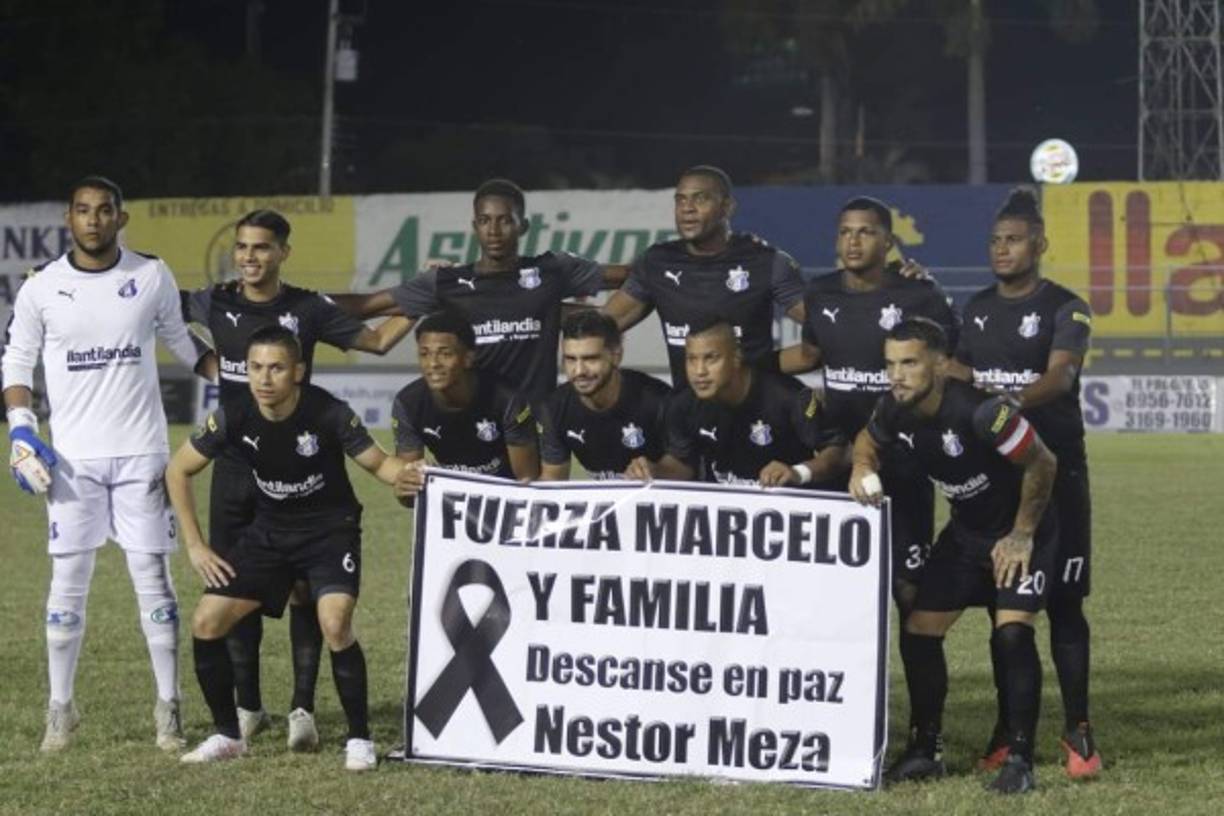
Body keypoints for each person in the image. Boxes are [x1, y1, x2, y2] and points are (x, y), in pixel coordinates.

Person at [180, 209, 412, 749]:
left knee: (310, 591)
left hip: (297, 465)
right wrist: (206, 366)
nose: (249, 257)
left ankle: (302, 707)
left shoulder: (307, 308)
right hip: (235, 463)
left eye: (262, 248)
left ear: (283, 251)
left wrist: (421, 303)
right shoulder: (213, 300)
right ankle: (246, 708)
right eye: (242, 247)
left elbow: (376, 341)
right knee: (233, 590)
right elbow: (156, 310)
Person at [2, 175, 212, 752]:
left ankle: (168, 708)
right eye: (82, 211)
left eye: (104, 211)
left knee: (155, 582)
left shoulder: (150, 274)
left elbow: (184, 342)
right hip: (71, 462)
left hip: (143, 454)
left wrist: (243, 383)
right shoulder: (41, 288)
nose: (93, 220)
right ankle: (60, 709)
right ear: (68, 220)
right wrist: (22, 429)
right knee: (67, 584)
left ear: (121, 219)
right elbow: (17, 361)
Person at [165, 326, 405, 770]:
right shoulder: (233, 415)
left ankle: (359, 739)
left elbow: (380, 464)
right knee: (206, 622)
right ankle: (227, 735)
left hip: (331, 531)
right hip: (269, 532)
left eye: (276, 368)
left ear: (298, 371)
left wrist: (410, 476)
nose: (264, 378)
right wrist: (196, 546)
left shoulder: (329, 412)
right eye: (256, 367)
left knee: (334, 623)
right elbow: (178, 469)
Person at [849, 317, 1058, 795]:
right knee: (920, 629)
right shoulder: (894, 408)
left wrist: (1022, 534)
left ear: (941, 366)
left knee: (1010, 634)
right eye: (890, 364)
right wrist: (863, 465)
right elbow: (868, 439)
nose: (896, 375)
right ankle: (926, 749)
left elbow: (1044, 461)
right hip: (967, 534)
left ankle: (1020, 759)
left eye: (909, 363)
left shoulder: (983, 413)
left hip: (1025, 531)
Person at [950, 188, 1100, 778]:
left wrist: (1000, 400)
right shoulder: (977, 306)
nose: (1001, 248)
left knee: (1065, 603)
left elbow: (1059, 379)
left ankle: (1079, 727)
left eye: (1013, 239)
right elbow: (957, 369)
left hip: (1059, 472)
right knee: (1003, 606)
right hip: (998, 481)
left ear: (1040, 244)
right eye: (994, 240)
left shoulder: (1068, 307)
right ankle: (1009, 729)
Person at [781, 196, 959, 621]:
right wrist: (744, 364)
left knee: (908, 589)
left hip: (904, 462)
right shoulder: (820, 292)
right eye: (845, 232)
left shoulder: (920, 294)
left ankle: (915, 689)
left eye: (866, 231)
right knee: (828, 587)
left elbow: (950, 366)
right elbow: (809, 355)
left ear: (889, 241)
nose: (853, 241)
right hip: (837, 458)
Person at [330, 178, 626, 401]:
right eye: (485, 221)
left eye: (504, 221)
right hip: (477, 424)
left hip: (537, 424)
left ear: (523, 226)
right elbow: (365, 305)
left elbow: (635, 277)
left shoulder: (552, 270)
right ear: (475, 226)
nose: (494, 231)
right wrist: (295, 302)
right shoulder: (445, 282)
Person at [601, 166, 806, 388]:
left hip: (755, 413)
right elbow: (601, 325)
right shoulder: (657, 262)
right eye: (680, 200)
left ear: (727, 207)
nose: (687, 208)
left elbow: (828, 328)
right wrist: (556, 306)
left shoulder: (769, 262)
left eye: (700, 199)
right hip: (690, 414)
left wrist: (760, 367)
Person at [629, 319, 847, 488]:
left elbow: (838, 452)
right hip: (726, 522)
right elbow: (684, 465)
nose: (699, 371)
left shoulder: (787, 397)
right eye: (691, 359)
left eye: (711, 358)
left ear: (736, 357)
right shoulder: (682, 405)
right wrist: (655, 470)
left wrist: (798, 472)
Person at [390, 311, 539, 498]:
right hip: (454, 501)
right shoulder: (407, 403)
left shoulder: (506, 399)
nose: (433, 364)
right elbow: (408, 497)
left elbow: (528, 482)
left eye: (445, 354)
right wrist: (405, 486)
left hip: (505, 499)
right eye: (424, 354)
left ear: (468, 358)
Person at [537, 311, 671, 481]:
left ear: (616, 356)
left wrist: (656, 471)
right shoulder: (554, 408)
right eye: (570, 359)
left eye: (590, 359)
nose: (579, 371)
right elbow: (552, 482)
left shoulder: (658, 400)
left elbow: (686, 471)